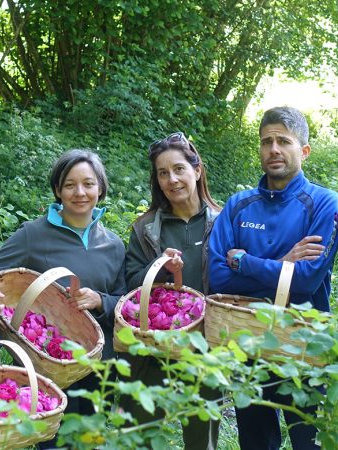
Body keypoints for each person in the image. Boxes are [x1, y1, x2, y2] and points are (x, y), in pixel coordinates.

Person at [208, 107, 338, 450]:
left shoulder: (325, 203)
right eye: (267, 141)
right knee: (255, 440)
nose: (274, 149)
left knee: (308, 439)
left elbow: (307, 280)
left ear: (304, 150)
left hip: (304, 342)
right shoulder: (238, 205)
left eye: (284, 140)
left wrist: (246, 262)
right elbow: (217, 277)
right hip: (246, 342)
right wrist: (283, 265)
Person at [0, 149, 126, 419]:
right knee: (53, 441)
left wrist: (100, 300)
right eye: (70, 185)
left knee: (89, 438)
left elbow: (123, 302)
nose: (80, 192)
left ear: (101, 188)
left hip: (98, 364)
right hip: (48, 362)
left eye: (88, 184)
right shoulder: (33, 235)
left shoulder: (114, 244)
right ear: (57, 190)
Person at [123, 131, 222, 449]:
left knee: (201, 435)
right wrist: (162, 267)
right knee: (144, 432)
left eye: (179, 169)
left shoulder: (222, 222)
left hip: (205, 348)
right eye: (163, 173)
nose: (172, 179)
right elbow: (131, 282)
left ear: (197, 170)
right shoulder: (146, 228)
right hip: (156, 350)